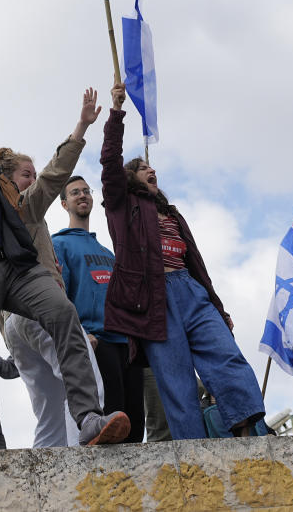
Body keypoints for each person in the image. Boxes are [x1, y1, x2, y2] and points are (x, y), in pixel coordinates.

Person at [0, 0, 128, 450]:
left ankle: (88, 418)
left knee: (61, 311)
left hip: (13, 266)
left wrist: (79, 132)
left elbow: (43, 188)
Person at [101, 82, 265, 440]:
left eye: (150, 166)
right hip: (153, 300)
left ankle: (245, 428)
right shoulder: (121, 205)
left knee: (227, 358)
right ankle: (194, 451)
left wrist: (217, 307)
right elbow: (110, 164)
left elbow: (199, 269)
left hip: (190, 292)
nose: (150, 169)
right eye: (142, 167)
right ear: (130, 179)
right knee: (175, 382)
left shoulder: (172, 214)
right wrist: (116, 113)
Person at [0, 89, 104, 448]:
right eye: (27, 174)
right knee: (86, 383)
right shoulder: (23, 207)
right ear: (7, 180)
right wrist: (81, 128)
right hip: (38, 313)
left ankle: (44, 482)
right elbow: (56, 176)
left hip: (12, 327)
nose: (34, 180)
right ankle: (88, 460)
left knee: (49, 412)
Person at [52, 175, 145, 444]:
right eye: (74, 193)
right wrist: (81, 333)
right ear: (63, 203)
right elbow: (61, 296)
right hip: (96, 342)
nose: (82, 196)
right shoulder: (59, 244)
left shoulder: (107, 251)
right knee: (110, 423)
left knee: (135, 424)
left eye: (86, 191)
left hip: (126, 342)